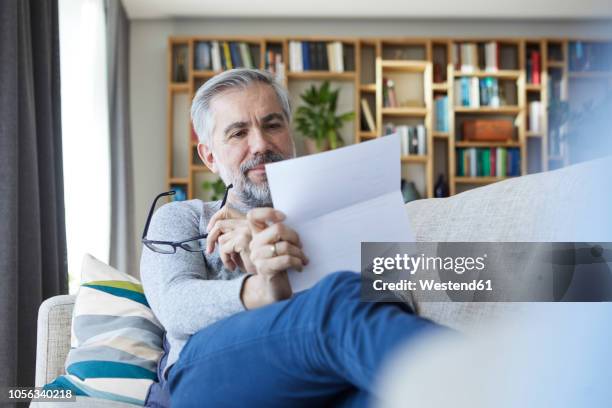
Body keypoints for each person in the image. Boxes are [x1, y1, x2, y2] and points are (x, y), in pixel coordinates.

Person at [140, 68, 441, 408]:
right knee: (337, 298)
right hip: (206, 380)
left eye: (272, 125)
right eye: (238, 133)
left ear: (289, 134)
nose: (261, 144)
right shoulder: (183, 217)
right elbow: (174, 306)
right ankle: (492, 378)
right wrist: (261, 287)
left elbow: (399, 300)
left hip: (320, 382)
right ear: (209, 156)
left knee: (385, 395)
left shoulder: (344, 211)